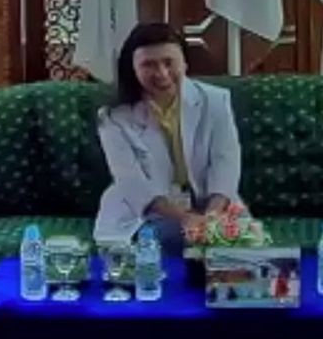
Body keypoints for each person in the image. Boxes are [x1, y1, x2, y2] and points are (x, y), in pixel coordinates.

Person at [93, 22, 244, 250]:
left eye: (169, 62)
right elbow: (131, 182)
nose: (162, 73)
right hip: (149, 211)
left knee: (232, 241)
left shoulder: (215, 101)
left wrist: (211, 218)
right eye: (148, 65)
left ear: (184, 62)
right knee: (168, 240)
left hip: (210, 206)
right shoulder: (113, 117)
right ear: (132, 68)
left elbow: (226, 163)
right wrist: (186, 219)